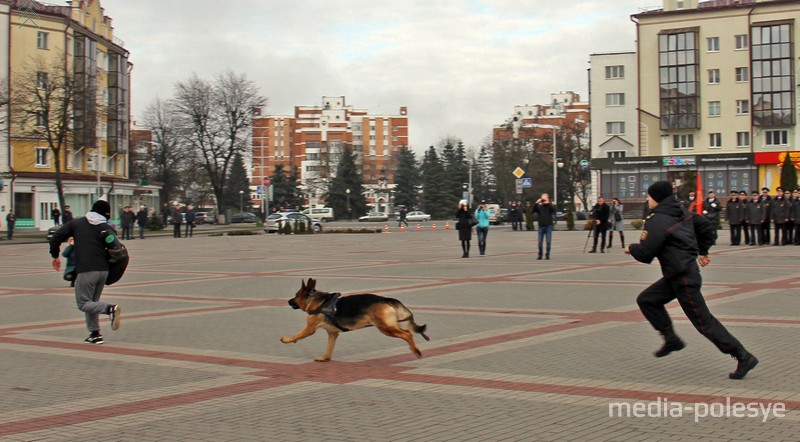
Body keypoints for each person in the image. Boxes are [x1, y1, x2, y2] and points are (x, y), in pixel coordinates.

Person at [626, 181, 758, 380]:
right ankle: (671, 338)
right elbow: (706, 228)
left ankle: (743, 355)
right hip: (677, 275)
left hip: (684, 279)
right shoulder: (682, 212)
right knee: (647, 300)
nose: (647, 199)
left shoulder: (658, 219)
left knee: (704, 323)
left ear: (657, 198)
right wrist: (702, 251)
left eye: (649, 196)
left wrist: (632, 248)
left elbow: (646, 253)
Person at [49, 199, 122, 345]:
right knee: (91, 302)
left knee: (83, 303)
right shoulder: (106, 227)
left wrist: (55, 255)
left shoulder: (77, 223)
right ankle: (95, 334)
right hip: (103, 271)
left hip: (87, 270)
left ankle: (110, 309)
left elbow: (56, 236)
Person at [532, 193, 556, 260]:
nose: (544, 200)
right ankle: (540, 254)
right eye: (543, 198)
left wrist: (549, 203)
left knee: (548, 241)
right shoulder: (539, 206)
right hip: (541, 226)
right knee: (540, 242)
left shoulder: (550, 206)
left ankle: (547, 254)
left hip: (548, 226)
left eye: (545, 198)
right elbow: (533, 210)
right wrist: (536, 203)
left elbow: (554, 210)